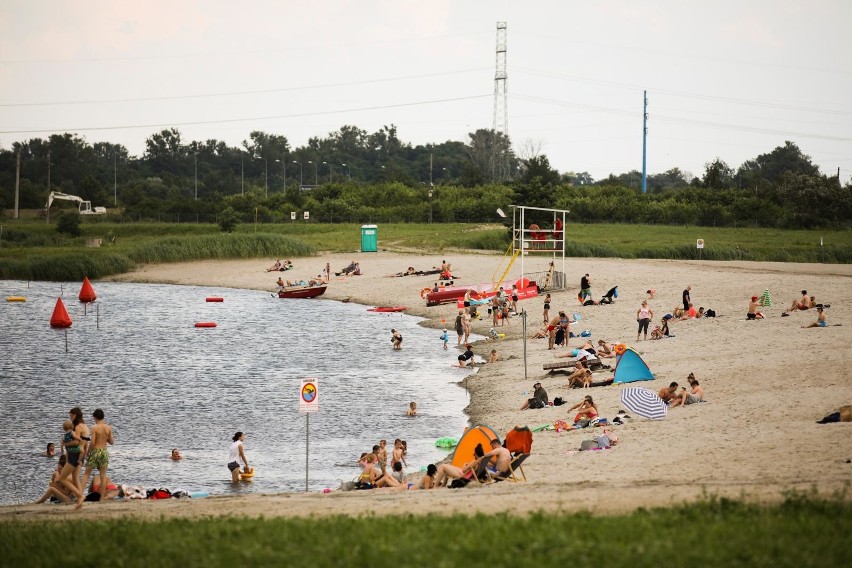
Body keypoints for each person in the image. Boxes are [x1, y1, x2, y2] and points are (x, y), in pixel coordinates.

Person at [80, 408, 115, 500]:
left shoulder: (95, 427)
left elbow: (92, 442)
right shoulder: (108, 428)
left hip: (96, 451)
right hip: (104, 452)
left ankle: (79, 494)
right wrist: (104, 437)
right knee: (103, 475)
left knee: (86, 474)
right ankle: (102, 498)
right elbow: (112, 442)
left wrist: (87, 453)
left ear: (95, 417)